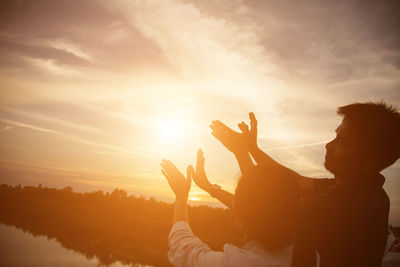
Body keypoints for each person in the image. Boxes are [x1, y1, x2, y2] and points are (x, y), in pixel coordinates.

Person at [199, 102, 400, 267]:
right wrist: (252, 148)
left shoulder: (333, 208)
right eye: (336, 135)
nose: (329, 145)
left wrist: (240, 154)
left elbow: (258, 212)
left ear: (368, 161)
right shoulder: (369, 191)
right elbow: (296, 181)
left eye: (342, 141)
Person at [160, 152, 299, 267]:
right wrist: (208, 186)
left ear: (238, 217)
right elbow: (260, 204)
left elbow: (182, 247)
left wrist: (181, 196)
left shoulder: (235, 263)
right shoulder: (310, 257)